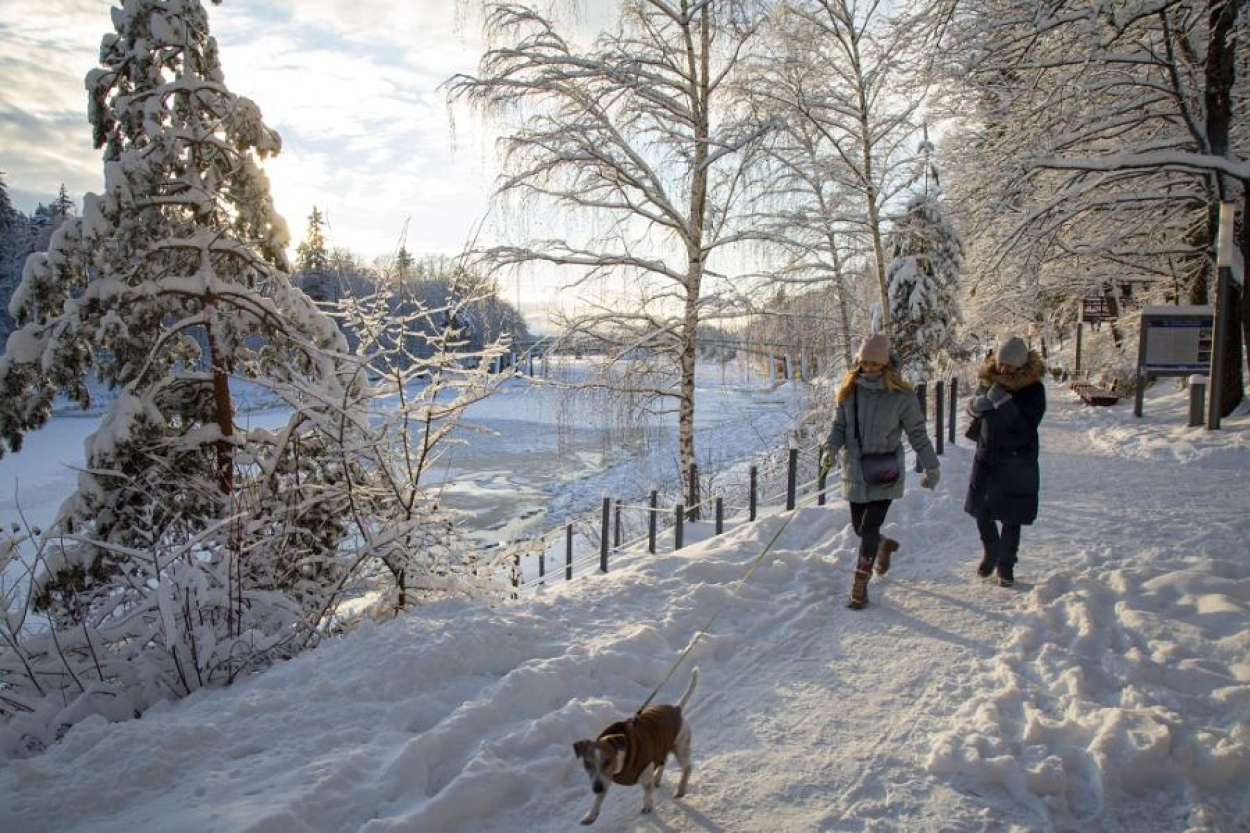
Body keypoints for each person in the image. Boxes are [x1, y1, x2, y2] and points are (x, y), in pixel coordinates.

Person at [823, 334, 940, 610]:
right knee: (860, 528)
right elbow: (838, 426)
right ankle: (882, 546)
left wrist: (931, 466)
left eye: (875, 364)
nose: (870, 368)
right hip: (854, 469)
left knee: (869, 527)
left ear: (886, 364)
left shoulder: (901, 396)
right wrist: (830, 448)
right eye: (865, 363)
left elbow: (918, 434)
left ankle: (860, 585)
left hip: (884, 471)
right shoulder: (849, 391)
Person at [963, 335, 1046, 588]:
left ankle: (1006, 565)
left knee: (1012, 515)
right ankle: (992, 551)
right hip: (986, 457)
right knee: (981, 510)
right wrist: (978, 405)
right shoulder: (989, 381)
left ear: (1021, 366)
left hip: (1016, 461)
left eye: (1009, 365)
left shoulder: (1033, 390)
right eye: (1001, 364)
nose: (1004, 369)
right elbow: (973, 408)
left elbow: (1025, 427)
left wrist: (1002, 402)